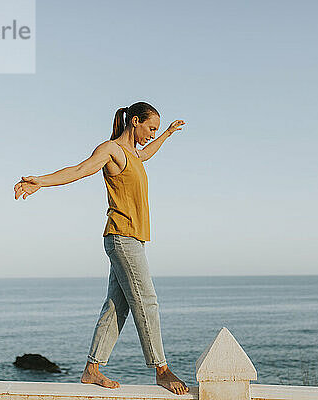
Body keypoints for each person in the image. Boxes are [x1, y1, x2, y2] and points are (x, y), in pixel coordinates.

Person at [13, 102, 189, 395]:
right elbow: (80, 170)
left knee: (116, 307)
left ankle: (91, 370)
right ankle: (161, 369)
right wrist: (40, 182)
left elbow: (146, 153)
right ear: (135, 121)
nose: (151, 134)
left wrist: (167, 134)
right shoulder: (111, 150)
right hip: (122, 237)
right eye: (151, 128)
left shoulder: (133, 154)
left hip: (131, 239)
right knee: (147, 301)